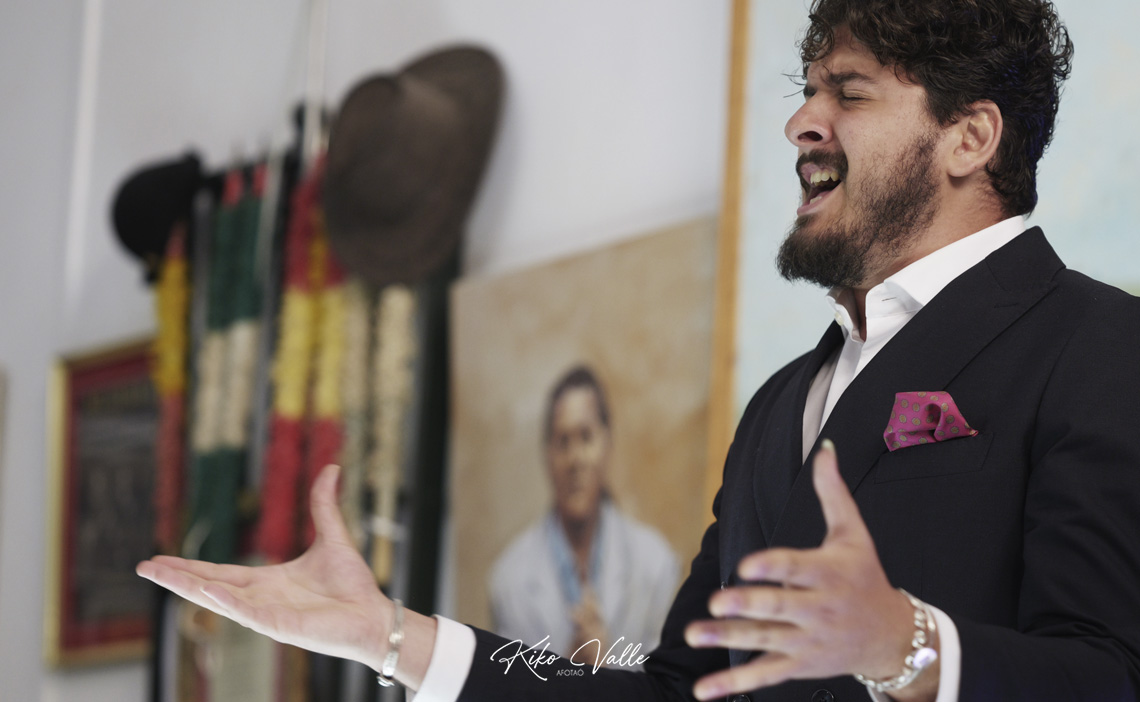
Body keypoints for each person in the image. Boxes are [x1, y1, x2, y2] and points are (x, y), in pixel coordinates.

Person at [137, 0, 1140, 700]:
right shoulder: (779, 405)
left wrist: (908, 646)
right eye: (807, 90)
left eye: (850, 92)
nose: (802, 122)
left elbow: (1109, 674)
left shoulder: (1101, 346)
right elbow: (676, 693)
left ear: (970, 138)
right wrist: (396, 639)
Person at [488, 366, 679, 662]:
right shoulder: (508, 580)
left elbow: (663, 683)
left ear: (607, 444)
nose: (575, 459)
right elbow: (510, 683)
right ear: (547, 455)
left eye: (586, 437)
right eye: (563, 441)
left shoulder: (656, 566)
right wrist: (569, 671)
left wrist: (605, 670)